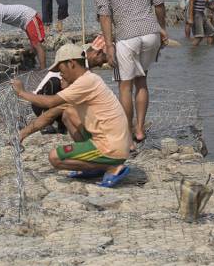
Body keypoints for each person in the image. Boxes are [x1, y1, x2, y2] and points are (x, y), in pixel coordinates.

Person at [12, 43, 131, 187]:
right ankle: (97, 162)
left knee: (55, 158)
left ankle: (110, 167)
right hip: (116, 142)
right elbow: (49, 115)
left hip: (111, 147)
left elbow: (50, 102)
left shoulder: (86, 82)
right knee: (69, 113)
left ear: (71, 63)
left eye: (60, 68)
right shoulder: (87, 80)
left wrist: (22, 93)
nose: (60, 74)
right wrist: (22, 134)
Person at [90, 0, 168, 150]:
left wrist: (108, 45)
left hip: (126, 37)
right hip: (150, 33)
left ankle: (128, 137)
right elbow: (159, 2)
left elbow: (104, 15)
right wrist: (162, 28)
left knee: (125, 86)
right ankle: (140, 129)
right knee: (142, 81)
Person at [17, 37, 108, 140]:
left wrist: (22, 92)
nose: (101, 65)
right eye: (104, 60)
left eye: (61, 70)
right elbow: (51, 105)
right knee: (59, 91)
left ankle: (87, 145)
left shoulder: (86, 79)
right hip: (42, 101)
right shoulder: (85, 75)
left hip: (111, 142)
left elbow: (52, 105)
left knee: (68, 109)